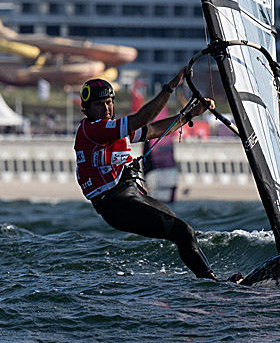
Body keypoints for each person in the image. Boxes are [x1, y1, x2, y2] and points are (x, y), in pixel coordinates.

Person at [74, 70, 239, 281]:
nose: (106, 108)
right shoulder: (92, 130)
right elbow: (142, 118)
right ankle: (213, 284)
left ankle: (211, 281)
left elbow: (153, 129)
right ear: (86, 109)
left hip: (131, 195)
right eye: (99, 104)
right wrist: (169, 87)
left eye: (109, 102)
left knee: (182, 230)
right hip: (115, 204)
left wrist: (190, 114)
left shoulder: (113, 131)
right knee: (182, 231)